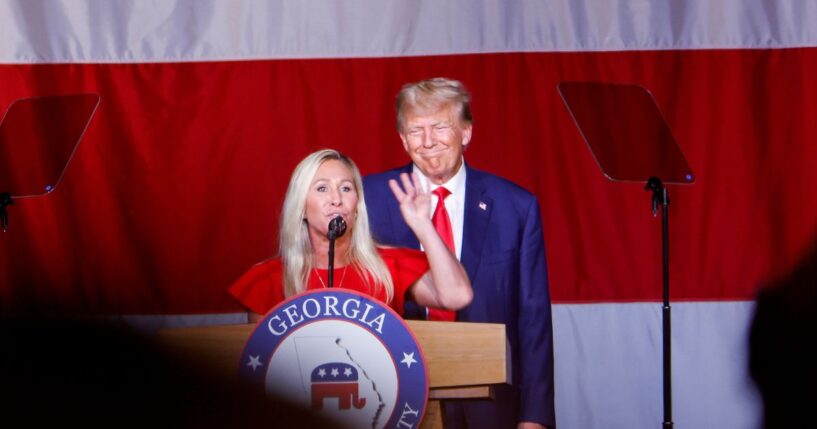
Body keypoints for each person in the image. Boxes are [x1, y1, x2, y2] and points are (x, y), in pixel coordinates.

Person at [363, 78, 555, 429]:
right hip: (394, 396)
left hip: (491, 402)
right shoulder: (369, 198)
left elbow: (533, 319)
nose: (428, 141)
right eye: (416, 130)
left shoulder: (516, 207)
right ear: (403, 140)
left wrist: (535, 417)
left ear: (465, 133)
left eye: (440, 127)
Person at [229, 149, 472, 322]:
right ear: (301, 207)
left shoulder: (389, 266)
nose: (336, 199)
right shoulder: (268, 280)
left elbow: (456, 296)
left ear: (356, 206)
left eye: (346, 188)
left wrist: (423, 226)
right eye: (322, 188)